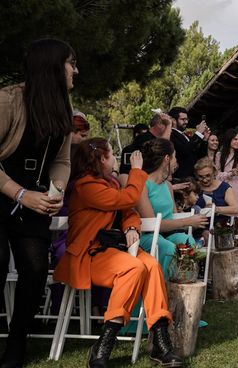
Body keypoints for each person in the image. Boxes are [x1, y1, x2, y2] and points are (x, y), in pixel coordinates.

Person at [53, 139, 181, 368]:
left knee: (151, 265)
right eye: (111, 154)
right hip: (89, 255)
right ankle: (105, 342)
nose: (114, 158)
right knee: (135, 267)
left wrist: (131, 227)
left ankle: (160, 343)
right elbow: (128, 198)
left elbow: (128, 210)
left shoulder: (109, 183)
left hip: (114, 250)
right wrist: (136, 172)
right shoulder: (86, 186)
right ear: (101, 158)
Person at [0, 38, 74, 367]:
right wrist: (19, 193)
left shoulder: (64, 107)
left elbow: (62, 159)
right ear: (52, 67)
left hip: (35, 202)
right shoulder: (7, 101)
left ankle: (17, 347)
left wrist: (55, 192)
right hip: (4, 194)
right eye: (71, 63)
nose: (76, 70)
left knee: (33, 270)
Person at [136, 139, 206, 275]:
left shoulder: (167, 186)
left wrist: (194, 219)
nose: (176, 161)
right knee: (168, 248)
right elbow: (152, 224)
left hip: (168, 234)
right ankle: (165, 290)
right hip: (148, 235)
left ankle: (185, 287)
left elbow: (174, 215)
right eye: (174, 156)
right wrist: (187, 221)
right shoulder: (142, 184)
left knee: (188, 241)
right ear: (167, 159)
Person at [119, 113, 172, 180]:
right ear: (159, 124)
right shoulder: (144, 138)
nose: (170, 130)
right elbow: (164, 147)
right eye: (166, 124)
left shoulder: (151, 138)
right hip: (139, 180)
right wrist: (169, 124)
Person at [168, 107, 208, 179]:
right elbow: (185, 150)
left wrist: (204, 140)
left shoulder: (186, 136)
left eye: (187, 119)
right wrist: (198, 133)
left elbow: (198, 156)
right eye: (183, 119)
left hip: (194, 177)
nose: (186, 122)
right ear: (173, 120)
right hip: (182, 178)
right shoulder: (171, 134)